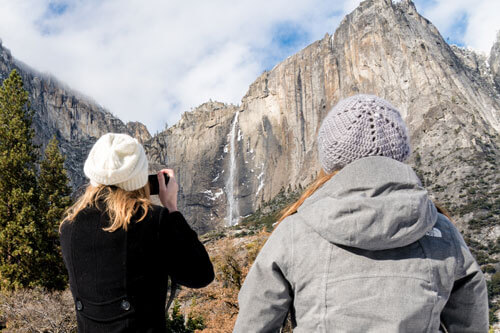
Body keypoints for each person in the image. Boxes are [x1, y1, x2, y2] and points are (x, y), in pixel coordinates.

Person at [233, 95, 488, 332]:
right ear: (399, 155)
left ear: (330, 156)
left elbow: (253, 324)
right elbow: (471, 320)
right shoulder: (442, 230)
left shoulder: (294, 231)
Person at [60, 133, 214, 333]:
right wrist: (172, 209)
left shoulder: (69, 227)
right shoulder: (153, 220)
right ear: (139, 178)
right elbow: (201, 275)